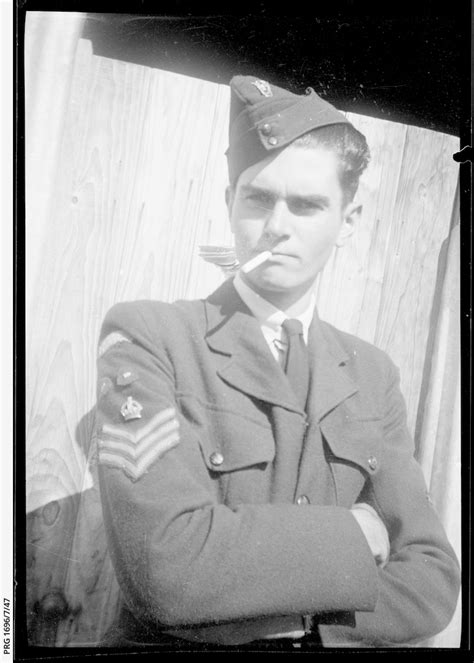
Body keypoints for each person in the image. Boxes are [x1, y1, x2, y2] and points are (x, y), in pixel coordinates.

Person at [95, 76, 460, 649]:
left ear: (349, 221)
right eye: (258, 198)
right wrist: (356, 539)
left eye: (308, 205)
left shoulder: (371, 374)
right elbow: (164, 570)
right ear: (229, 204)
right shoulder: (151, 337)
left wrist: (282, 615)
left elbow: (433, 580)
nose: (277, 226)